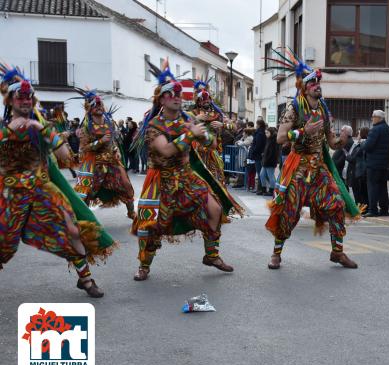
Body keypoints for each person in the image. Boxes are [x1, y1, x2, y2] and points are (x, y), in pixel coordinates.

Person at [0, 63, 115, 297]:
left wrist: (44, 132)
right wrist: (13, 132)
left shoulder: (41, 127)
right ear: (10, 100)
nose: (25, 100)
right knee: (4, 246)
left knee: (72, 230)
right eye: (20, 97)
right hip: (11, 195)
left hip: (43, 190)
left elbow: (65, 157)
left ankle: (86, 279)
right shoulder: (3, 131)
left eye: (29, 97)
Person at [130, 59, 243, 281]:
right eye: (172, 93)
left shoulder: (188, 119)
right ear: (162, 98)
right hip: (160, 181)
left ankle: (211, 255)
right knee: (151, 225)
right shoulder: (154, 126)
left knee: (215, 209)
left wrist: (206, 134)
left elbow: (209, 143)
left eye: (180, 93)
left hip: (187, 177)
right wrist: (191, 134)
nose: (178, 97)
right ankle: (144, 265)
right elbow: (166, 150)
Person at [264, 49, 361, 270]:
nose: (318, 85)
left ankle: (338, 252)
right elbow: (280, 138)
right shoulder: (294, 108)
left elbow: (331, 143)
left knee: (337, 204)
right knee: (290, 213)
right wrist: (302, 132)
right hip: (298, 168)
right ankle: (276, 254)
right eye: (313, 83)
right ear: (305, 88)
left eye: (319, 81)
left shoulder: (324, 109)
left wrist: (343, 140)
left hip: (318, 170)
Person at [71, 88, 136, 219]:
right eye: (95, 105)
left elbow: (113, 142)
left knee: (126, 185)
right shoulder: (85, 127)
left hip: (111, 161)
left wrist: (116, 150)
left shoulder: (110, 123)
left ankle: (131, 212)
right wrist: (100, 141)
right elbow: (84, 148)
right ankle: (81, 217)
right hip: (94, 163)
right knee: (87, 191)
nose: (98, 107)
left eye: (100, 104)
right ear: (89, 108)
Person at [188, 77, 234, 185]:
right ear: (197, 99)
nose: (205, 100)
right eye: (201, 97)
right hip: (196, 154)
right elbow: (184, 126)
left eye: (207, 96)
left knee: (215, 184)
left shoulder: (218, 114)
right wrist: (197, 119)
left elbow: (234, 126)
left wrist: (223, 125)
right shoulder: (192, 113)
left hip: (212, 154)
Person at [362, 110, 389, 217]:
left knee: (372, 187)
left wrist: (362, 144)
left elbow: (368, 146)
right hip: (384, 163)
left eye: (373, 116)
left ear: (379, 118)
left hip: (373, 164)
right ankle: (384, 210)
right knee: (383, 187)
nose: (371, 118)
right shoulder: (388, 129)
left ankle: (373, 210)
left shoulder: (375, 129)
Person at [347, 127, 369, 207]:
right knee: (360, 193)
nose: (357, 136)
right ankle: (362, 208)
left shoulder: (362, 144)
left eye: (359, 134)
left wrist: (348, 156)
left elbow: (354, 158)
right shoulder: (360, 144)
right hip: (359, 171)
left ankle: (363, 208)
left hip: (361, 171)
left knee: (362, 193)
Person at [259, 126, 280, 196]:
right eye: (265, 133)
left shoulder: (274, 140)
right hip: (266, 161)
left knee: (271, 176)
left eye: (267, 133)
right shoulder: (269, 139)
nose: (266, 134)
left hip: (270, 161)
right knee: (262, 175)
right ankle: (263, 189)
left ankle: (272, 190)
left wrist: (266, 158)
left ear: (271, 133)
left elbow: (273, 153)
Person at [249, 119, 267, 194]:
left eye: (256, 124)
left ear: (258, 125)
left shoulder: (259, 133)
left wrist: (253, 152)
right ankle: (262, 188)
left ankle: (260, 189)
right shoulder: (262, 132)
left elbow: (258, 145)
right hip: (259, 154)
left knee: (259, 172)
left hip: (258, 155)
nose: (256, 126)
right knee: (261, 172)